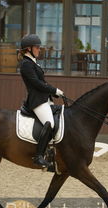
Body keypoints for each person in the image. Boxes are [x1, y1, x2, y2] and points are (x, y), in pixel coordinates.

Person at [19, 34, 64, 168]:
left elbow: (42, 82)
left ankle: (51, 152)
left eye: (39, 47)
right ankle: (38, 156)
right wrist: (54, 90)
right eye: (37, 47)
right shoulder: (26, 64)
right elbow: (37, 84)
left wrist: (54, 94)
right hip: (37, 101)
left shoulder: (32, 62)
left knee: (59, 118)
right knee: (49, 123)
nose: (39, 49)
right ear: (28, 49)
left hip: (44, 99)